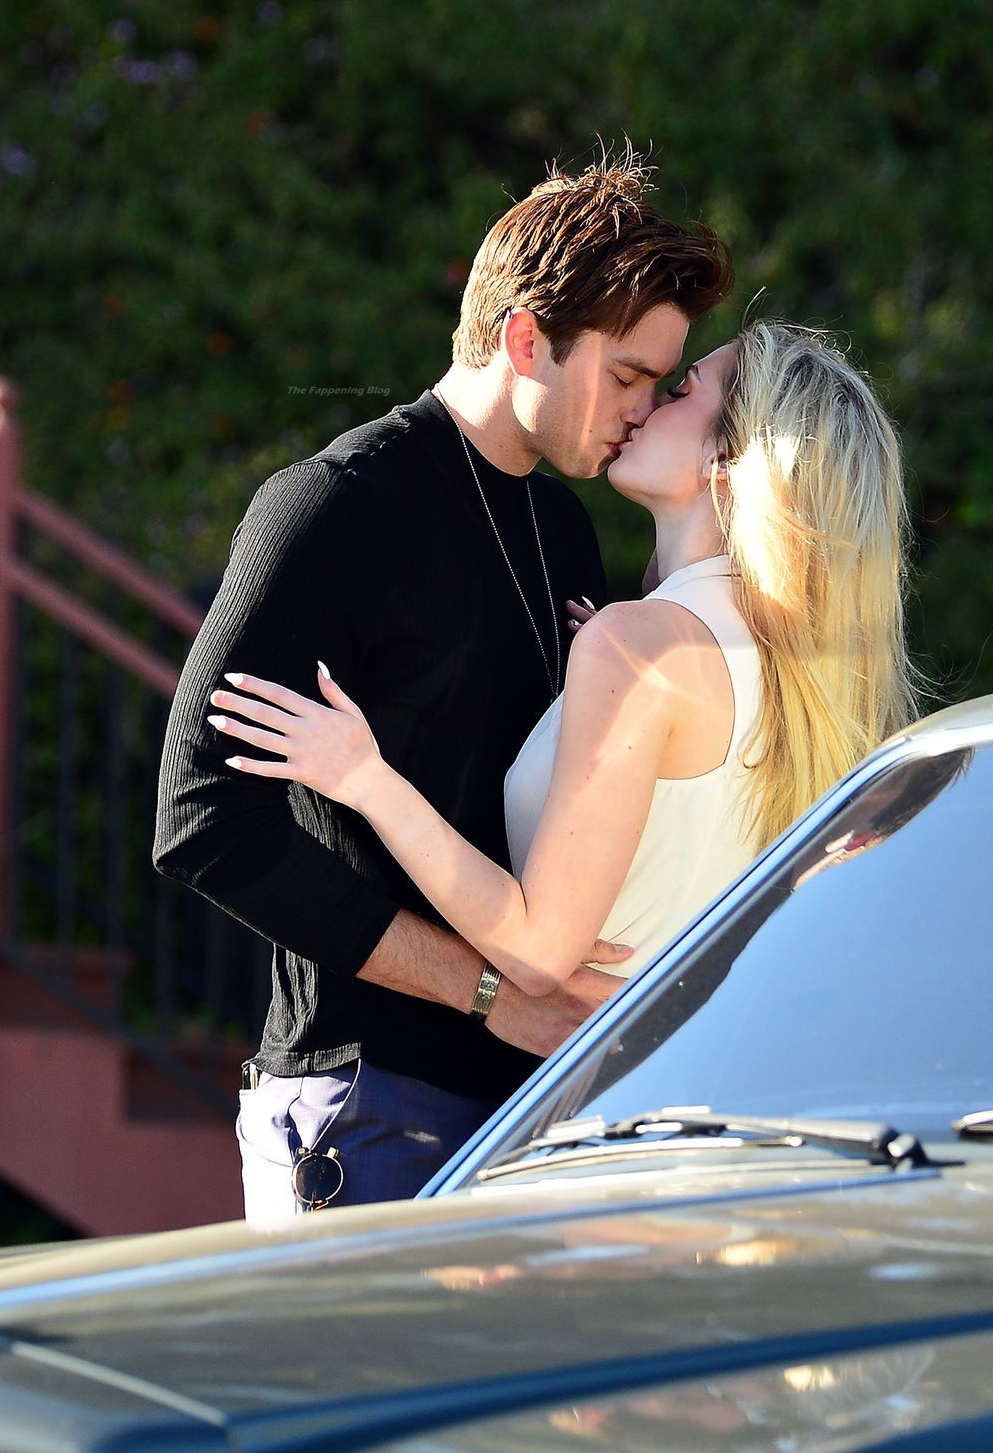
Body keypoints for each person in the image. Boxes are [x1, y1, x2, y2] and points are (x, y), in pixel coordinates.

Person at [153, 143, 734, 1224]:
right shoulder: (330, 509)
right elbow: (202, 823)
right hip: (364, 1105)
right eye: (625, 377)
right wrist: (484, 991)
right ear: (525, 340)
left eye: (662, 383)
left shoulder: (564, 528)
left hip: (536, 1106)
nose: (644, 408)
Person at [209, 317, 920, 1031]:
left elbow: (539, 952)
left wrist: (366, 779)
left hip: (599, 1077)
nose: (644, 407)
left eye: (679, 392)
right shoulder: (787, 665)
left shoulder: (640, 647)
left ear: (728, 458)